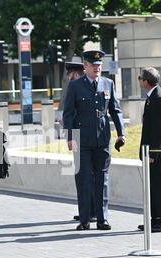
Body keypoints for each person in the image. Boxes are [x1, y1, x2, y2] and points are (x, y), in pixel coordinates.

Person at [63, 50, 126, 231]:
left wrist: (121, 133)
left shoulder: (108, 83)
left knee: (102, 179)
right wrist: (69, 137)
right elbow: (68, 114)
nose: (98, 68)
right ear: (86, 66)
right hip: (81, 140)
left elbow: (115, 110)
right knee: (84, 180)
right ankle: (84, 220)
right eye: (94, 65)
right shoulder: (76, 86)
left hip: (102, 138)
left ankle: (102, 219)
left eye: (99, 65)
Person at [137, 67, 161, 232]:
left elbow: (160, 130)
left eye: (140, 78)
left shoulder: (158, 98)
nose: (139, 81)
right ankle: (155, 219)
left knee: (159, 185)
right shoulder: (153, 96)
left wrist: (152, 154)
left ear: (146, 81)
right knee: (153, 186)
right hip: (152, 152)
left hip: (157, 153)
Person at [63, 62, 97, 224]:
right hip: (79, 135)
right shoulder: (81, 86)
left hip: (80, 136)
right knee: (85, 176)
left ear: (75, 74)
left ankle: (89, 211)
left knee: (84, 176)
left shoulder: (77, 87)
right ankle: (88, 210)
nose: (69, 79)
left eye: (70, 75)